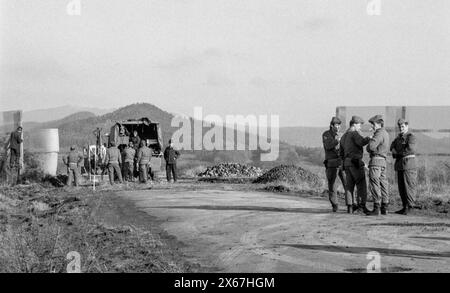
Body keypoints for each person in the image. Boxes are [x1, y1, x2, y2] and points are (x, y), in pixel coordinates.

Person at [339, 116, 371, 214]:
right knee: (361, 185)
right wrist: (369, 138)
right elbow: (361, 142)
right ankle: (361, 206)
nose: (360, 127)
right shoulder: (355, 133)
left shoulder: (344, 136)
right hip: (355, 162)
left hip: (347, 163)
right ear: (354, 124)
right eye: (359, 125)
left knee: (349, 186)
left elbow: (341, 152)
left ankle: (350, 206)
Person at [390, 118, 417, 215]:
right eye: (399, 127)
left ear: (407, 126)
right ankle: (404, 206)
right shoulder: (398, 138)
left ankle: (410, 206)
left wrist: (398, 153)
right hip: (400, 165)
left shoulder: (410, 136)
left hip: (409, 164)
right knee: (401, 187)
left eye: (403, 126)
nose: (401, 128)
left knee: (409, 186)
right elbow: (392, 146)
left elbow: (410, 149)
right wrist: (394, 150)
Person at [365, 115, 390, 216]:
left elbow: (370, 147)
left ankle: (376, 207)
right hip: (383, 161)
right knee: (384, 184)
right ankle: (385, 206)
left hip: (376, 161)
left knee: (375, 183)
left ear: (378, 124)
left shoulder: (378, 134)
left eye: (373, 124)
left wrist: (370, 141)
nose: (372, 126)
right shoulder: (386, 133)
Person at [322, 116, 347, 212]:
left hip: (341, 162)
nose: (338, 127)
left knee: (347, 183)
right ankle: (335, 204)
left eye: (339, 125)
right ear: (331, 125)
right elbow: (328, 146)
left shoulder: (340, 134)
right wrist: (337, 140)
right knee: (332, 185)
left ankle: (350, 203)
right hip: (331, 163)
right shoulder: (326, 134)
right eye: (336, 125)